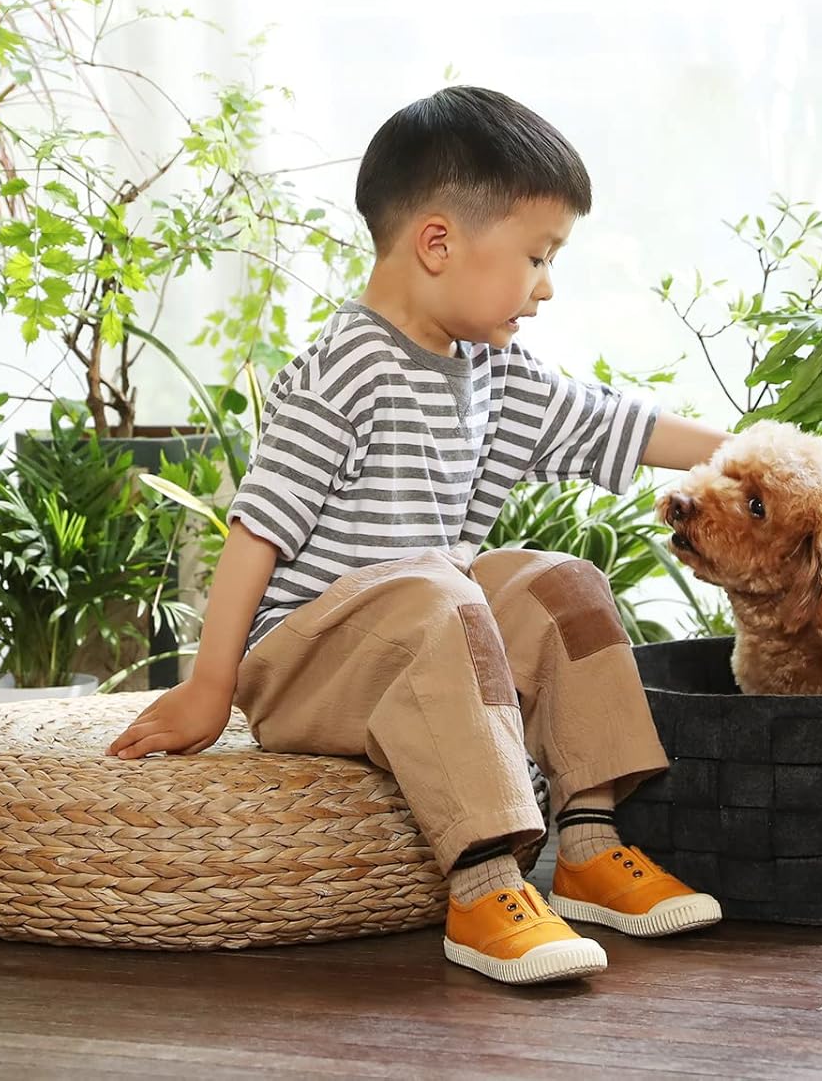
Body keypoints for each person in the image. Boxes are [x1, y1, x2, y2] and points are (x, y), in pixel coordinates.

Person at [108, 85, 731, 985]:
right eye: (537, 256)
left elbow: (616, 425)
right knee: (444, 590)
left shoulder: (492, 368)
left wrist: (756, 455)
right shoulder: (342, 368)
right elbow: (256, 531)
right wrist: (212, 685)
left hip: (428, 633)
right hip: (306, 660)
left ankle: (589, 842)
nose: (547, 286)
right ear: (439, 242)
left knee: (562, 585)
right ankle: (483, 885)